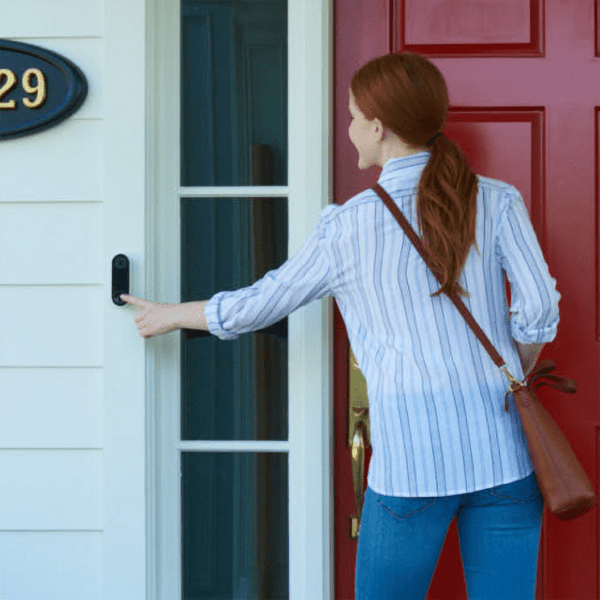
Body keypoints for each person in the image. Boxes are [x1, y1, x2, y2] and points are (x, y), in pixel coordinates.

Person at [122, 52, 560, 600]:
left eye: (353, 116)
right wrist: (508, 375)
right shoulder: (498, 200)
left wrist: (170, 315)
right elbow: (540, 309)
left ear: (378, 128)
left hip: (410, 472)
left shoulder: (348, 229)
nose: (348, 127)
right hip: (504, 462)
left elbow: (260, 304)